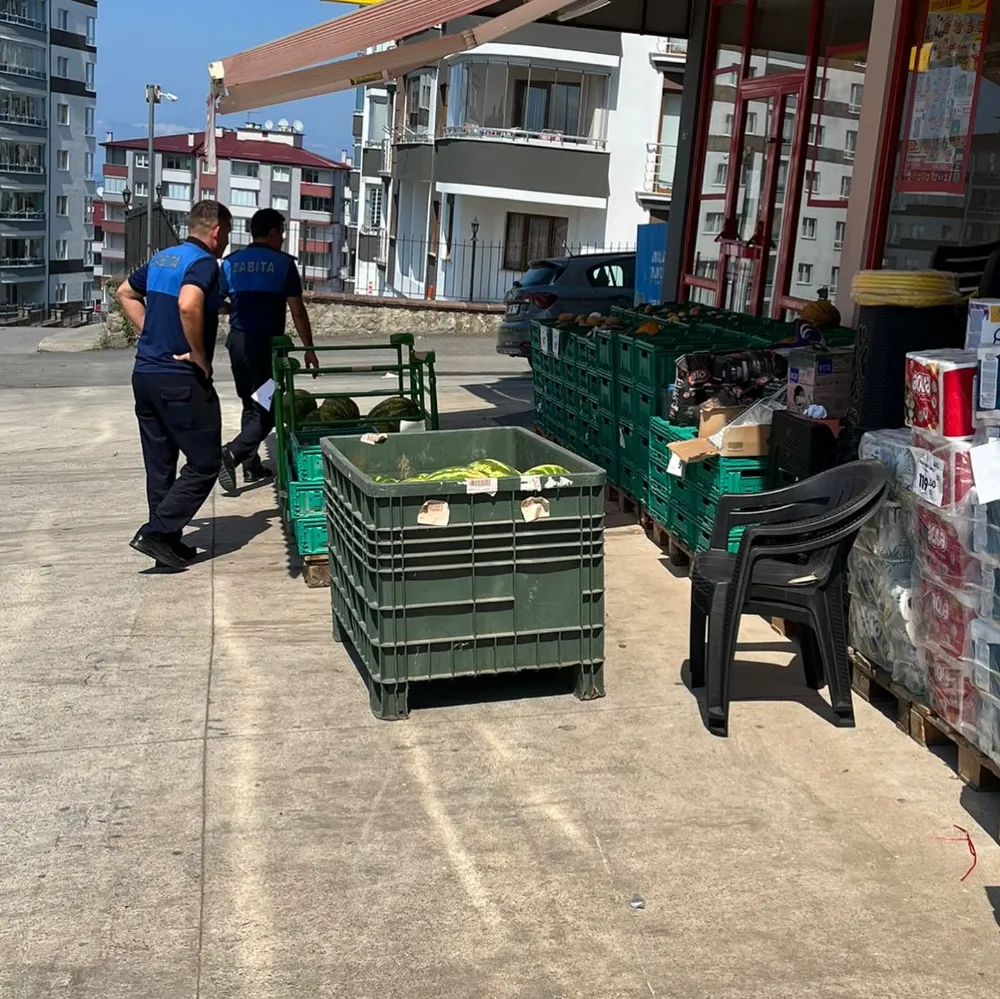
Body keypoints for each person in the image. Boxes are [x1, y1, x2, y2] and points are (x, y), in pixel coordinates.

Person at [117, 200, 232, 571]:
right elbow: (189, 304)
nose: (227, 241)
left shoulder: (163, 259)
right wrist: (199, 355)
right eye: (227, 234)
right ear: (216, 232)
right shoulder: (202, 264)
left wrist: (150, 333)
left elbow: (124, 292)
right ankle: (158, 532)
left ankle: (167, 540)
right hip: (180, 380)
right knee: (204, 462)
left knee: (161, 464)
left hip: (145, 375)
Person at [217, 207, 317, 493]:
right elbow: (297, 312)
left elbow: (214, 300)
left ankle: (251, 466)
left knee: (251, 403)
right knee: (270, 407)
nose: (283, 238)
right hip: (266, 347)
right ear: (273, 232)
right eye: (282, 232)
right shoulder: (283, 265)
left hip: (238, 343)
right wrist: (309, 348)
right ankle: (233, 453)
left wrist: (232, 308)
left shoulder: (231, 263)